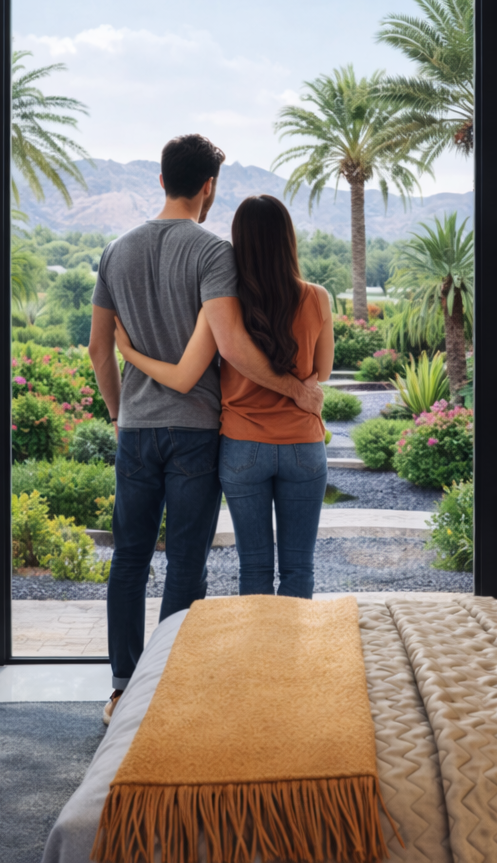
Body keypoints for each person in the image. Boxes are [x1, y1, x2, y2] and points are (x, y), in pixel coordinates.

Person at [88, 136, 323, 724]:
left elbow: (98, 349)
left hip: (137, 428)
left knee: (129, 559)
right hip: (194, 430)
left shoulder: (115, 251)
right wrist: (295, 388)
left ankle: (122, 689)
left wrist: (120, 415)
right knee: (185, 561)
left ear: (162, 178)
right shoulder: (212, 253)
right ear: (209, 186)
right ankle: (167, 689)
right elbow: (233, 345)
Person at [115, 193, 334, 602]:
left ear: (239, 241)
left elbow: (193, 369)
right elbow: (320, 373)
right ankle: (293, 664)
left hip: (242, 446)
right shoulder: (317, 297)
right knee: (299, 567)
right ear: (288, 239)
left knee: (253, 566)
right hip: (304, 445)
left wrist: (128, 354)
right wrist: (295, 383)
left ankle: (254, 659)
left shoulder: (227, 305)